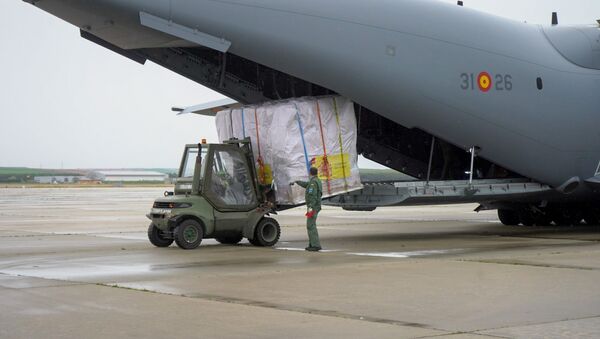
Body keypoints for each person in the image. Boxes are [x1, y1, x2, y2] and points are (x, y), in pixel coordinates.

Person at [292, 167, 323, 251]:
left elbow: (312, 196)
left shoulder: (313, 183)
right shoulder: (317, 181)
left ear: (310, 173)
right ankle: (312, 244)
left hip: (312, 207)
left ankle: (315, 245)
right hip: (315, 206)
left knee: (310, 225)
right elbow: (306, 185)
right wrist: (297, 182)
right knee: (311, 225)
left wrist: (310, 208)